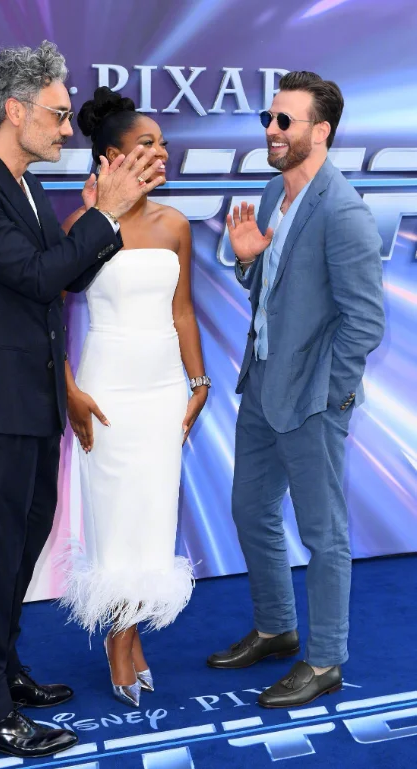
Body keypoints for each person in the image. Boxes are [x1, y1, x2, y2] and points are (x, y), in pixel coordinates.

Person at [0, 42, 163, 758]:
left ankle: (5, 673)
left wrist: (102, 221)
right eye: (58, 115)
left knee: (19, 550)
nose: (67, 128)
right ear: (15, 109)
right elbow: (35, 277)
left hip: (33, 404)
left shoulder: (22, 183)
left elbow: (59, 280)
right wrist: (105, 215)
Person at [206, 71, 385, 707]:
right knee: (249, 510)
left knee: (323, 534)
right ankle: (276, 628)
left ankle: (326, 659)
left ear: (321, 131)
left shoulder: (344, 212)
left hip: (310, 400)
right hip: (261, 385)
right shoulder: (272, 194)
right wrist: (248, 260)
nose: (272, 131)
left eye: (286, 121)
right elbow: (272, 294)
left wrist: (329, 394)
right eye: (269, 119)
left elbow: (365, 322)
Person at [60, 87, 209, 708]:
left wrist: (199, 383)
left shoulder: (175, 224)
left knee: (151, 516)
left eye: (162, 143)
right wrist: (68, 388)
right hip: (107, 390)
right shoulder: (82, 227)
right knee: (114, 518)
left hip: (163, 391)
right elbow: (45, 313)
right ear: (111, 158)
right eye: (147, 143)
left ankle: (133, 632)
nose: (161, 152)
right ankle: (119, 641)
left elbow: (182, 312)